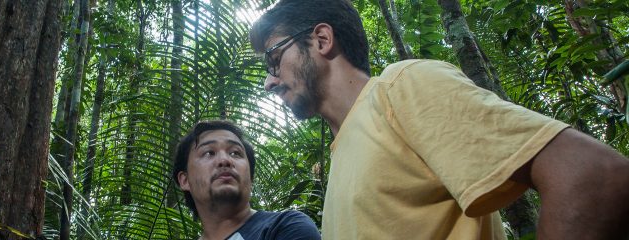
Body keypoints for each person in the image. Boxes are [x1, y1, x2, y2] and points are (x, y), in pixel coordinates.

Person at [249, 0, 629, 239]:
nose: (269, 80)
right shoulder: (342, 157)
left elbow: (592, 176)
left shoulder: (399, 88)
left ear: (321, 40)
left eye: (273, 58)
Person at [172, 120, 321, 240]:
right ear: (185, 180)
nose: (225, 160)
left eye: (235, 153)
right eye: (209, 153)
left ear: (251, 177)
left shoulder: (284, 227)